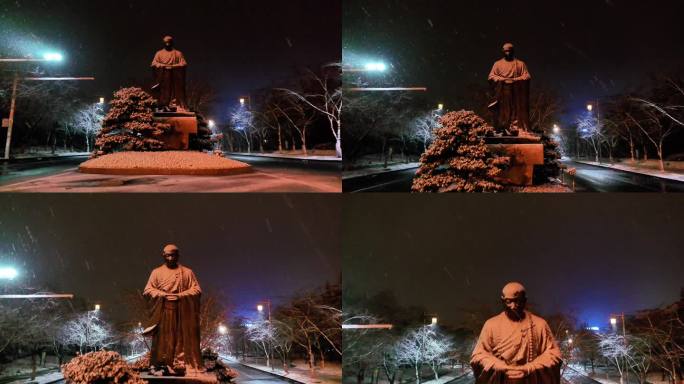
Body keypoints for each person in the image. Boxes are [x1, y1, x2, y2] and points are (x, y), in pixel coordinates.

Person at [471, 282, 562, 383]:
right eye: (508, 301)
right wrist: (499, 366)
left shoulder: (539, 324)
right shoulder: (491, 325)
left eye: (518, 301)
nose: (513, 306)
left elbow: (554, 354)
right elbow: (478, 355)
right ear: (502, 301)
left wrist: (530, 368)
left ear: (525, 301)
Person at [143, 244, 202, 376]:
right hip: (163, 312)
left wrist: (181, 295)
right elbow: (147, 290)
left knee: (180, 339)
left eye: (173, 255)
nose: (170, 258)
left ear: (178, 256)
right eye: (167, 255)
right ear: (163, 256)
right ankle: (160, 365)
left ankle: (178, 364)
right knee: (162, 341)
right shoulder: (156, 272)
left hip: (182, 313)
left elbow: (197, 289)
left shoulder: (187, 272)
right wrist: (162, 294)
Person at [488, 43, 532, 136]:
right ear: (503, 52)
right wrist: (501, 79)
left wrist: (516, 79)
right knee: (504, 112)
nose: (508, 53)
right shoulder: (497, 64)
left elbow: (527, 76)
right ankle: (503, 128)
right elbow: (491, 76)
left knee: (516, 111)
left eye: (509, 51)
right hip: (502, 90)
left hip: (517, 91)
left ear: (513, 52)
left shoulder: (520, 64)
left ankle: (515, 128)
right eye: (506, 51)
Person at [151, 36, 188, 111]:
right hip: (164, 75)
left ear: (172, 43)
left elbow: (184, 63)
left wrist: (173, 66)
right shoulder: (159, 53)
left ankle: (179, 104)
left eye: (169, 42)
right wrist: (162, 66)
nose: (168, 44)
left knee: (178, 90)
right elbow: (153, 63)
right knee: (165, 90)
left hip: (176, 75)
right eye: (166, 42)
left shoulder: (178, 53)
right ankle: (164, 105)